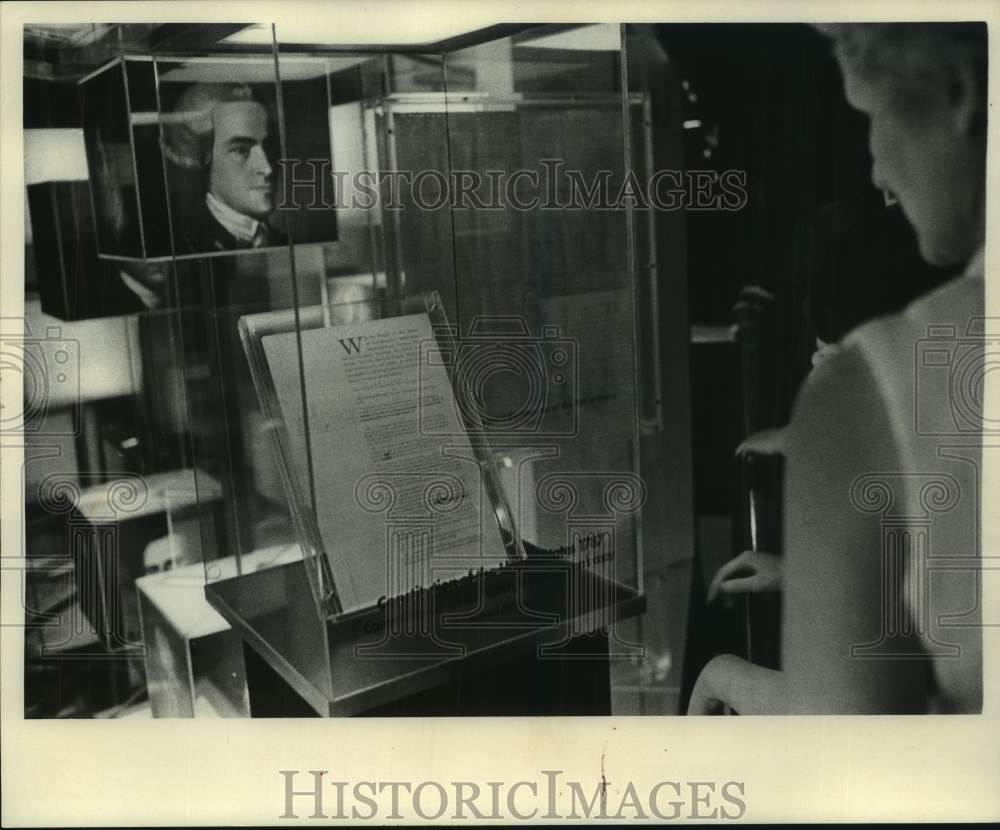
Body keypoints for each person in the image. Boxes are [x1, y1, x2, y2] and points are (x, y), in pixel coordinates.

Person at [689, 22, 986, 714]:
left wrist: (727, 678)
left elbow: (846, 783)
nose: (879, 171)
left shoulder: (868, 393)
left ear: (961, 94)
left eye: (870, 116)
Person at [160, 82, 285, 254]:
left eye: (269, 145)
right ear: (201, 157)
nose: (267, 168)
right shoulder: (179, 247)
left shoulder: (287, 244)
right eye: (241, 150)